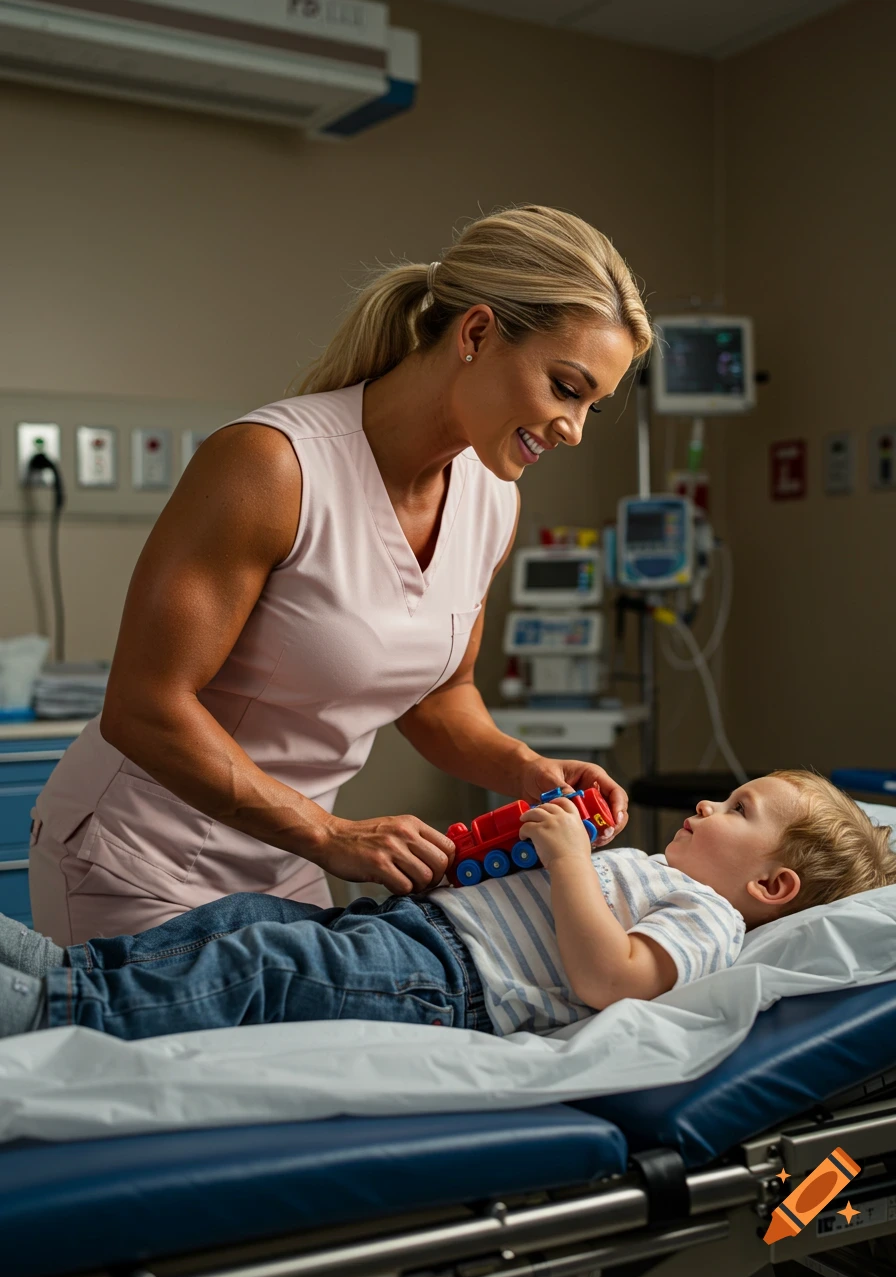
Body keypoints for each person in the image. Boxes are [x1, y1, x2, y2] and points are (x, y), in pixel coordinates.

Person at [27, 204, 652, 948]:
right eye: (565, 387)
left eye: (593, 406)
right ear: (477, 334)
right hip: (141, 862)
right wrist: (330, 834)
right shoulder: (273, 466)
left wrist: (529, 771)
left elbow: (442, 695)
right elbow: (144, 706)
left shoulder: (491, 498)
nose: (574, 429)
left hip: (288, 862)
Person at [3, 771, 893, 1041]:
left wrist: (572, 860)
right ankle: (69, 971)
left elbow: (608, 980)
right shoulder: (660, 874)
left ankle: (57, 1008)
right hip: (416, 934)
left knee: (262, 969)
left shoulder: (709, 919)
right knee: (243, 925)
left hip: (445, 983)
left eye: (738, 811)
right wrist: (452, 870)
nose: (705, 806)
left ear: (772, 888)